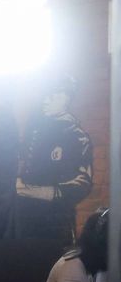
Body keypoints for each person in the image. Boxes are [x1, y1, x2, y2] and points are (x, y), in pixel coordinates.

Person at [11, 76, 94, 243]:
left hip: (56, 222)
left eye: (52, 95)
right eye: (45, 94)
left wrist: (38, 192)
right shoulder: (37, 130)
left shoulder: (77, 137)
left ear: (66, 98)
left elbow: (82, 184)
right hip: (26, 217)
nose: (46, 100)